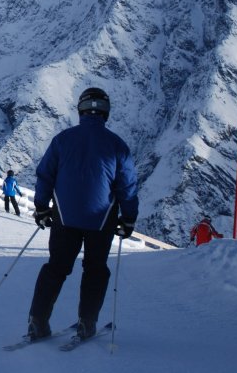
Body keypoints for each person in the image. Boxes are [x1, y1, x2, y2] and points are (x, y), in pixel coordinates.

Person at [26, 87, 139, 342]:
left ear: (81, 110)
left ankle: (37, 321)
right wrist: (129, 217)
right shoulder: (117, 145)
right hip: (102, 218)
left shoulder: (63, 140)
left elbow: (45, 175)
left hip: (64, 217)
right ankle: (87, 323)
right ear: (106, 113)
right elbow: (127, 187)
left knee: (56, 268)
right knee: (95, 269)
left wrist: (42, 207)